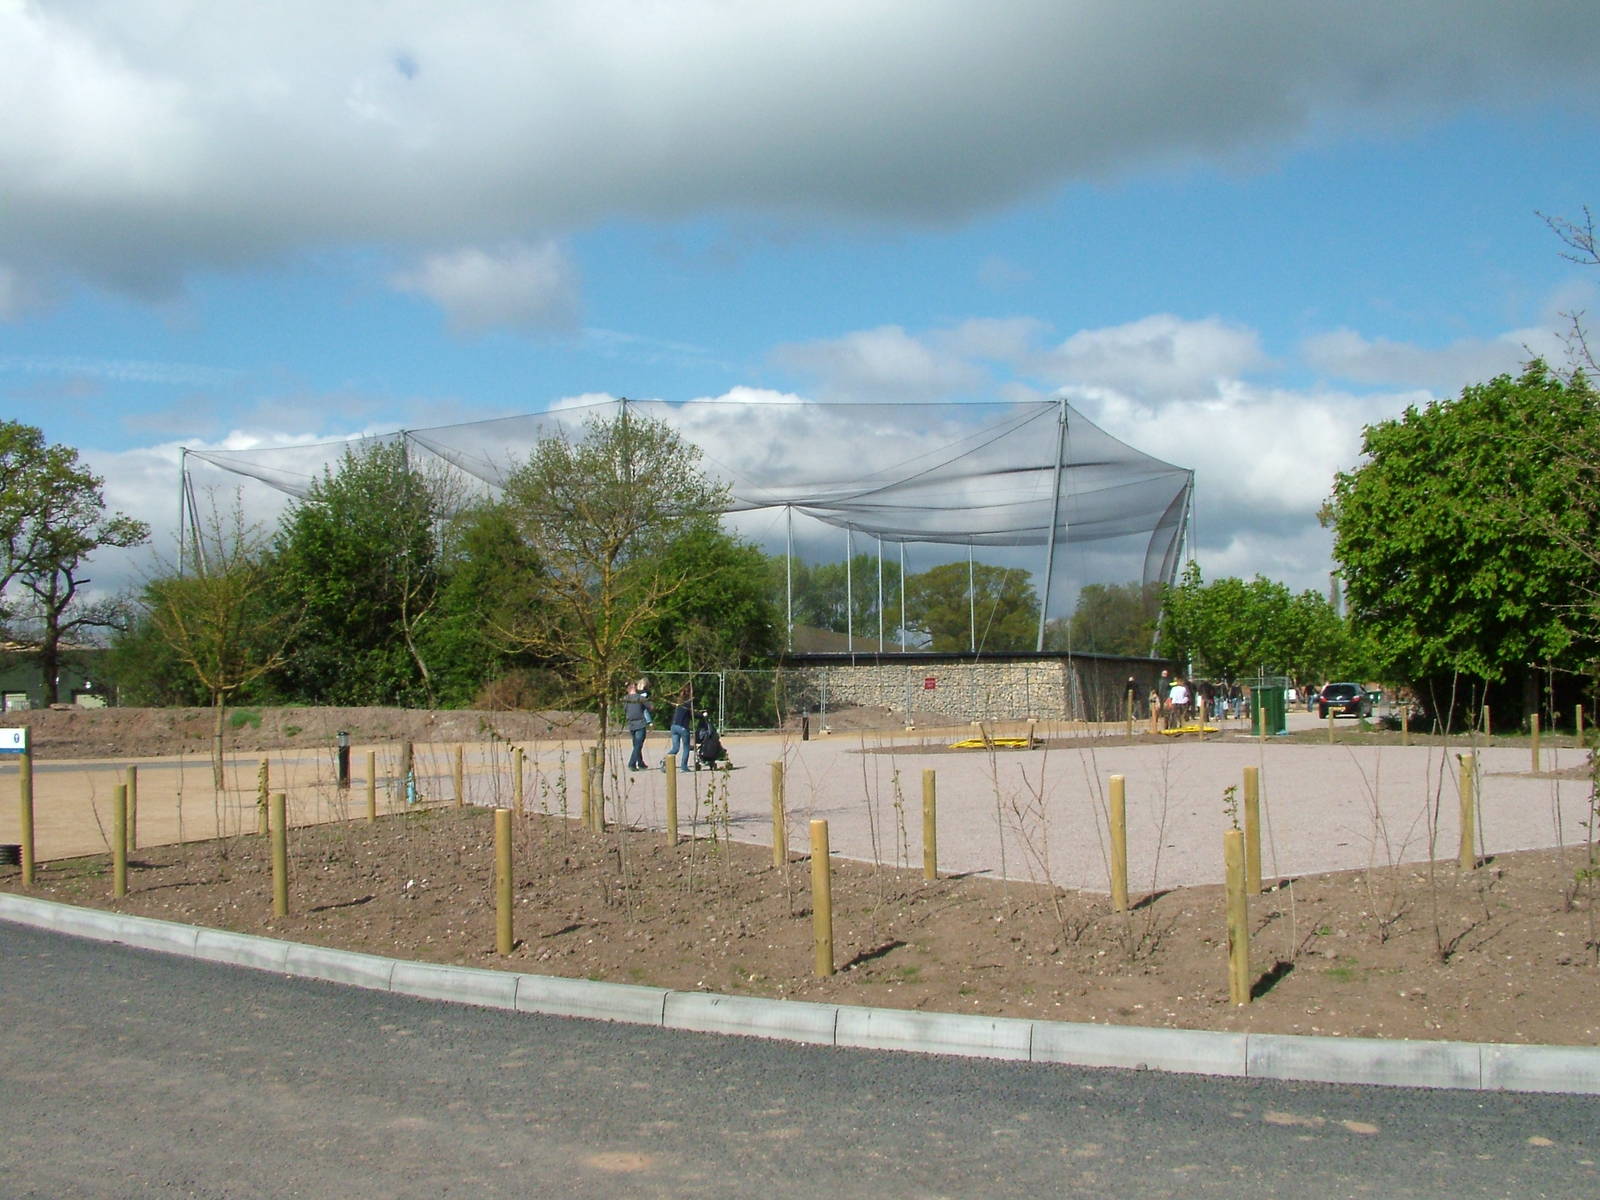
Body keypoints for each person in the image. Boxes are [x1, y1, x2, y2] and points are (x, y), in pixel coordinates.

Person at [623, 677, 651, 771]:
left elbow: (625, 710)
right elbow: (651, 707)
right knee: (638, 745)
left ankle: (640, 763)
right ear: (633, 687)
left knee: (636, 745)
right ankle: (632, 763)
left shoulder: (625, 699)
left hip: (631, 724)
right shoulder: (640, 698)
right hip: (640, 723)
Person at [664, 683, 693, 772]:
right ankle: (683, 766)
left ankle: (665, 762)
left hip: (674, 726)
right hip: (682, 727)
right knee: (686, 747)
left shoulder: (679, 702)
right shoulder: (688, 703)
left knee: (675, 748)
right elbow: (692, 715)